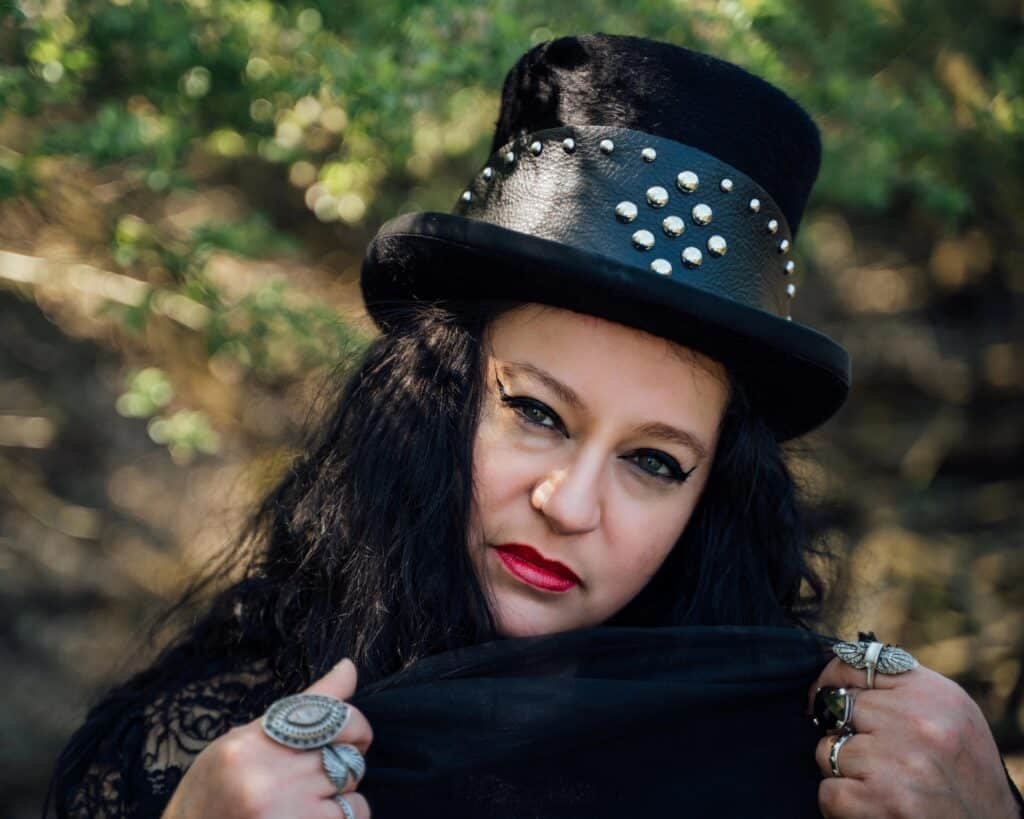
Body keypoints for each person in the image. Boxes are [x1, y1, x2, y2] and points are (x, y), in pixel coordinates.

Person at [46, 33, 1023, 819]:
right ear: (432, 401)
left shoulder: (833, 768)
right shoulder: (209, 755)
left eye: (654, 461)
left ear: (713, 498)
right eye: (536, 412)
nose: (571, 504)